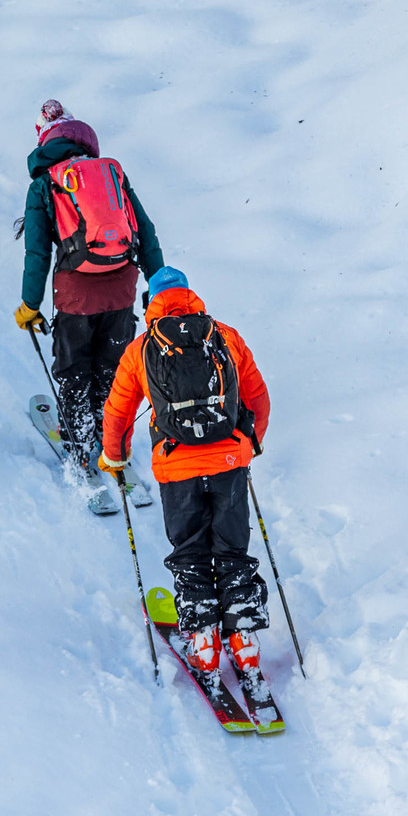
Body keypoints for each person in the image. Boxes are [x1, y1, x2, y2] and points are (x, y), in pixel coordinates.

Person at [98, 272, 272, 685]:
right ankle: (244, 644)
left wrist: (114, 457)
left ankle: (205, 645)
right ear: (191, 296)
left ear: (151, 303)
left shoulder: (142, 348)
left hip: (176, 468)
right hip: (230, 461)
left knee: (191, 551)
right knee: (233, 550)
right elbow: (257, 397)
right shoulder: (224, 335)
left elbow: (118, 412)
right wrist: (251, 444)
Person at [13, 101, 170, 513]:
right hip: (122, 289)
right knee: (113, 370)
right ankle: (111, 439)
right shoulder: (111, 175)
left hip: (76, 296)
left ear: (44, 138)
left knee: (72, 372)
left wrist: (30, 304)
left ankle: (82, 448)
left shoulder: (46, 183)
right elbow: (147, 232)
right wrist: (158, 285)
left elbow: (36, 253)